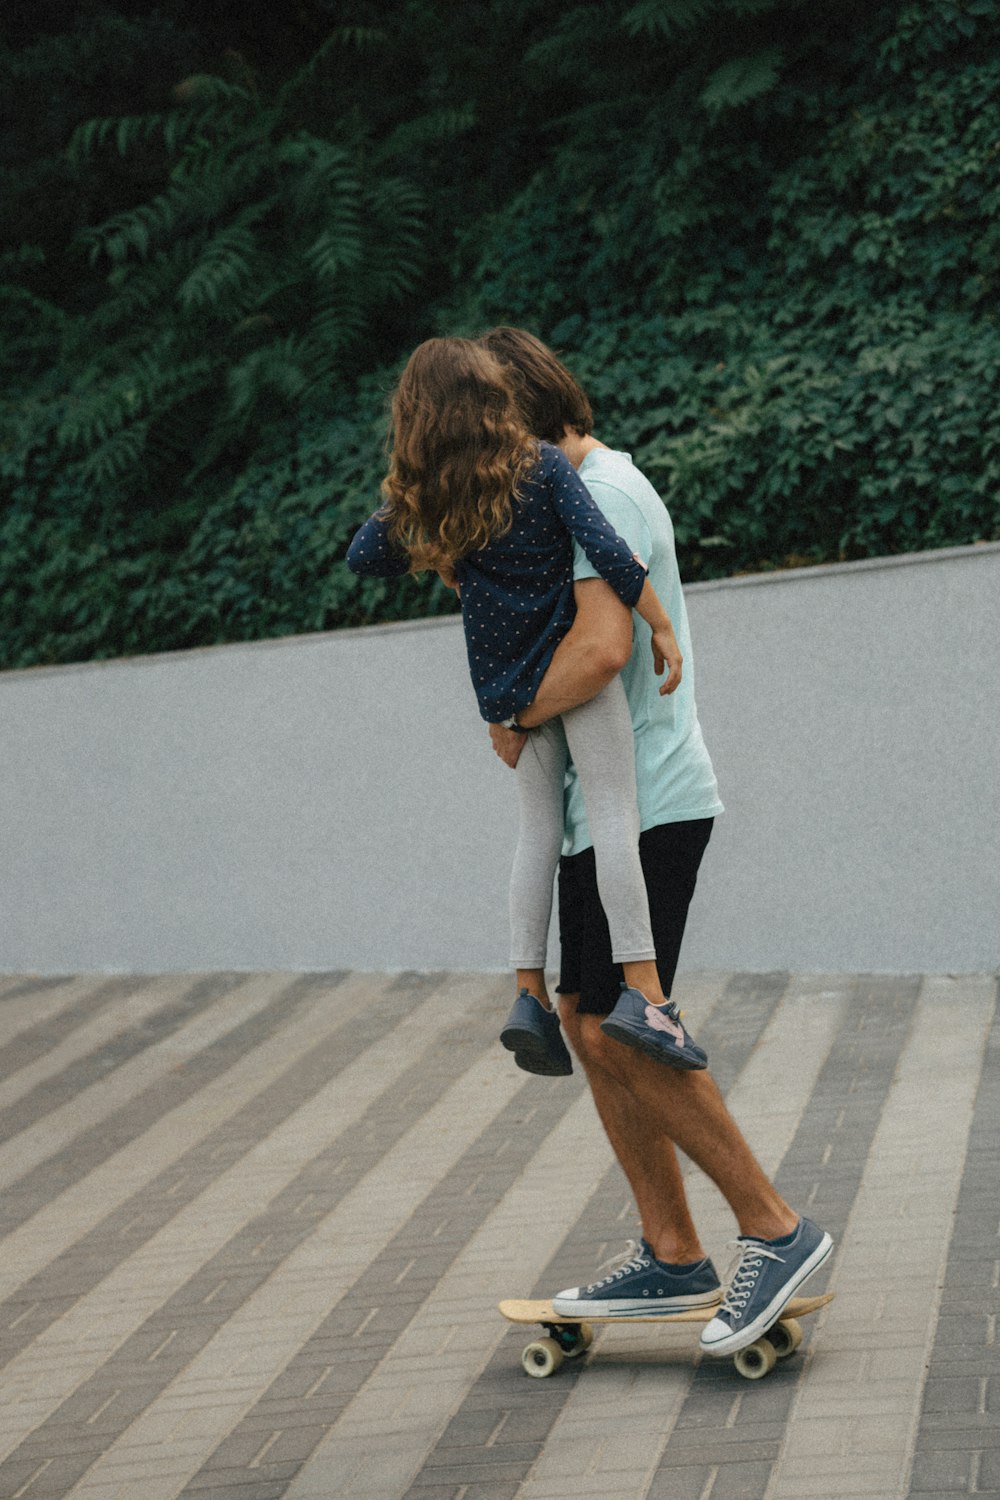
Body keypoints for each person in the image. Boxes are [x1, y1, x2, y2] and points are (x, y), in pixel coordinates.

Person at [478, 327, 833, 1356]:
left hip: (654, 803)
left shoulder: (610, 494)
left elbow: (600, 648)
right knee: (594, 1026)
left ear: (522, 421)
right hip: (603, 810)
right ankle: (673, 1252)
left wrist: (508, 710)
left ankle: (777, 1230)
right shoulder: (559, 498)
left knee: (628, 1024)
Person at [346, 336, 708, 1081]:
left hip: (510, 693)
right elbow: (608, 552)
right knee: (613, 814)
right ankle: (649, 996)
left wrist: (432, 538)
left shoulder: (440, 498)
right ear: (494, 401)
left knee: (535, 832)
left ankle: (525, 994)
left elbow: (364, 555)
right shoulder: (541, 468)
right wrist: (661, 624)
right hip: (573, 679)